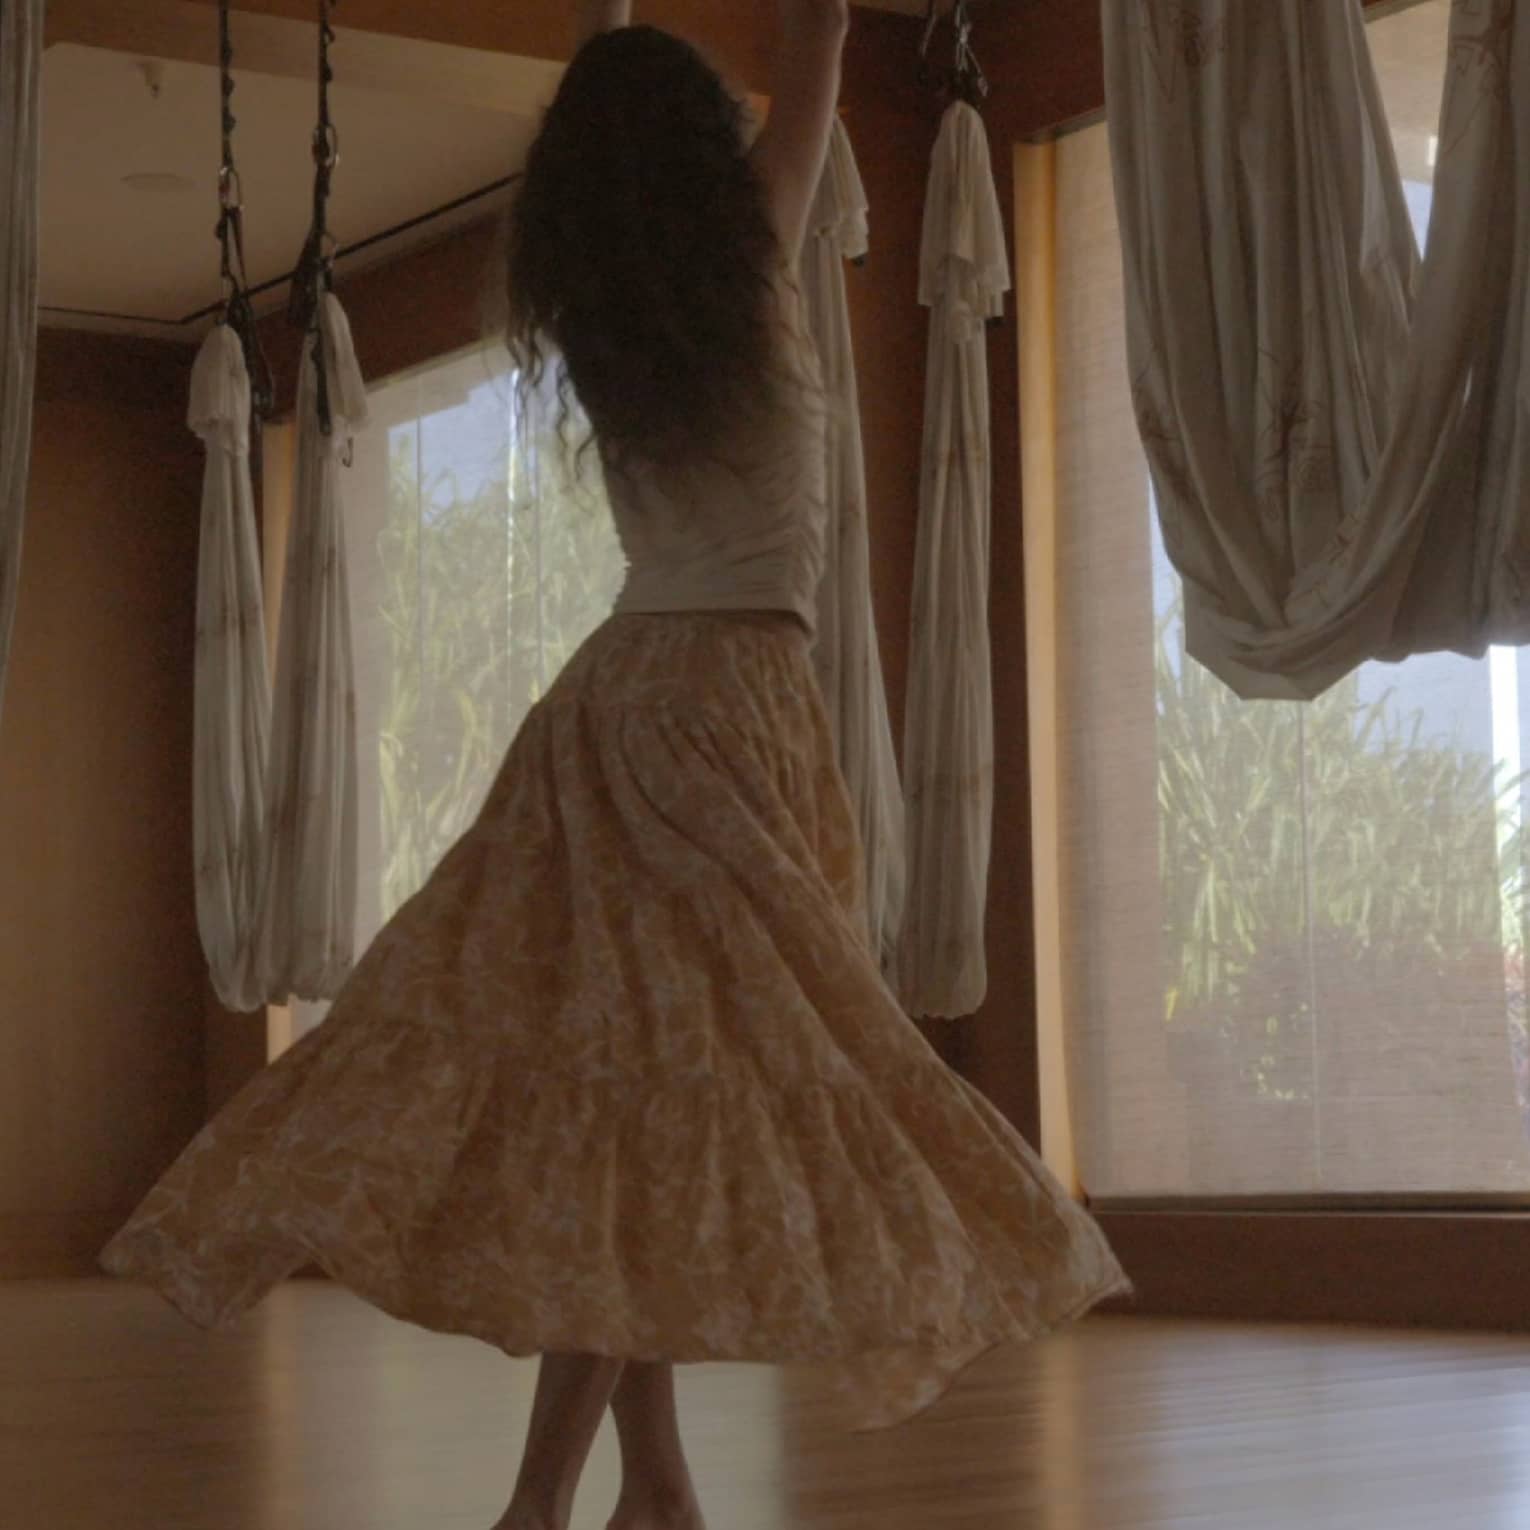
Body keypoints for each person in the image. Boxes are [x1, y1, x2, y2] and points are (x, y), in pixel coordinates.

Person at [101, 3, 1128, 1528]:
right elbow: (820, 38)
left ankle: (650, 1481)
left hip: (618, 708)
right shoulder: (759, 255)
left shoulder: (599, 310)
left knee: (626, 1094)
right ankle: (541, 1501)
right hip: (724, 708)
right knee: (652, 1097)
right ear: (703, 163)